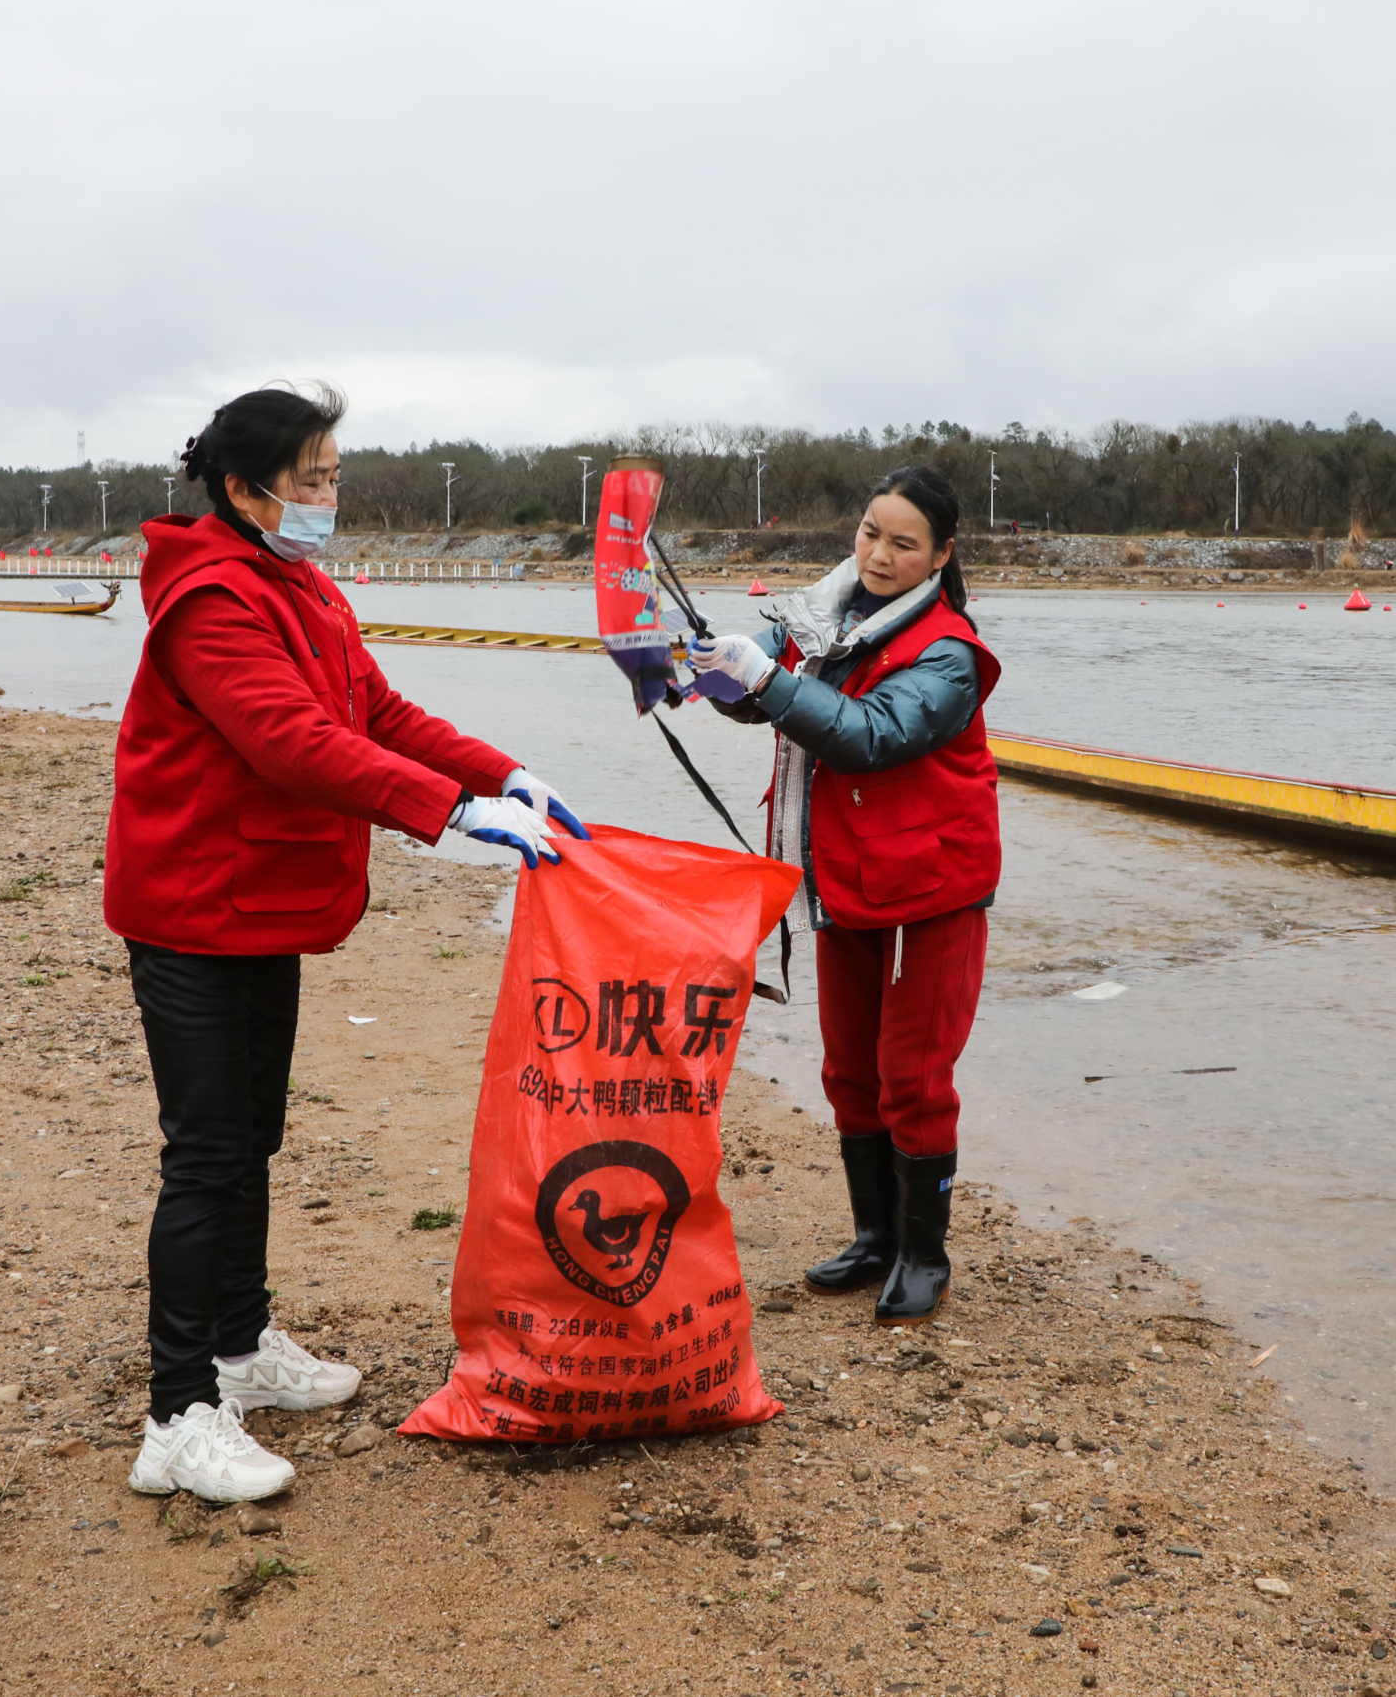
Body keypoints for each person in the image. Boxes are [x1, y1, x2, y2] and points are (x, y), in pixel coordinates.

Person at [105, 384, 589, 1501]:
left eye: (334, 475)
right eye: (313, 478)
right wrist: (448, 812)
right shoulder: (212, 597)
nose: (330, 495)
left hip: (260, 902)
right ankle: (177, 1411)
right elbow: (290, 739)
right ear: (245, 488)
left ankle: (239, 1347)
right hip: (192, 904)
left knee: (253, 1134)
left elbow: (375, 710)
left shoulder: (300, 585)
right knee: (208, 1151)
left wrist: (500, 771)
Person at [689, 464, 999, 1327]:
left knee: (915, 1075)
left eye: (904, 543)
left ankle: (922, 1253)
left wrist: (766, 678)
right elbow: (768, 705)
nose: (879, 554)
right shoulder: (826, 621)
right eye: (870, 532)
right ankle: (873, 1236)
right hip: (847, 876)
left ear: (941, 555)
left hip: (933, 888)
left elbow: (871, 736)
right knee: (847, 1069)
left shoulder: (950, 652)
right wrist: (710, 671)